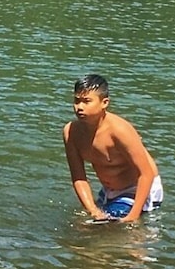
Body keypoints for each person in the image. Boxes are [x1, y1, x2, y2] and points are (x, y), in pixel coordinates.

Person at [63, 74, 162, 223]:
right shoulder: (71, 132)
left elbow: (146, 173)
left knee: (106, 229)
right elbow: (78, 177)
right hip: (109, 191)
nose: (79, 107)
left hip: (138, 188)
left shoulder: (119, 131)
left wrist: (132, 217)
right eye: (77, 101)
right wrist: (92, 210)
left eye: (87, 101)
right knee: (81, 224)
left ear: (105, 103)